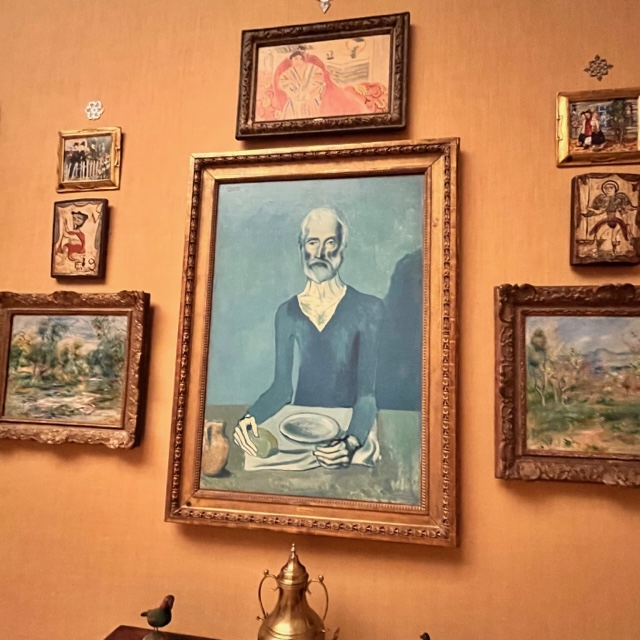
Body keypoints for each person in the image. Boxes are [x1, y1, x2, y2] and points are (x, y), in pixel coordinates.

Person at [233, 207, 384, 469]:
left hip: (349, 432)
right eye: (313, 242)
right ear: (301, 247)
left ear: (342, 250)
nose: (320, 253)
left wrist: (351, 442)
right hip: (298, 433)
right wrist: (248, 420)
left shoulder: (369, 309)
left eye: (331, 243)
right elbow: (281, 389)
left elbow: (367, 396)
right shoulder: (287, 313)